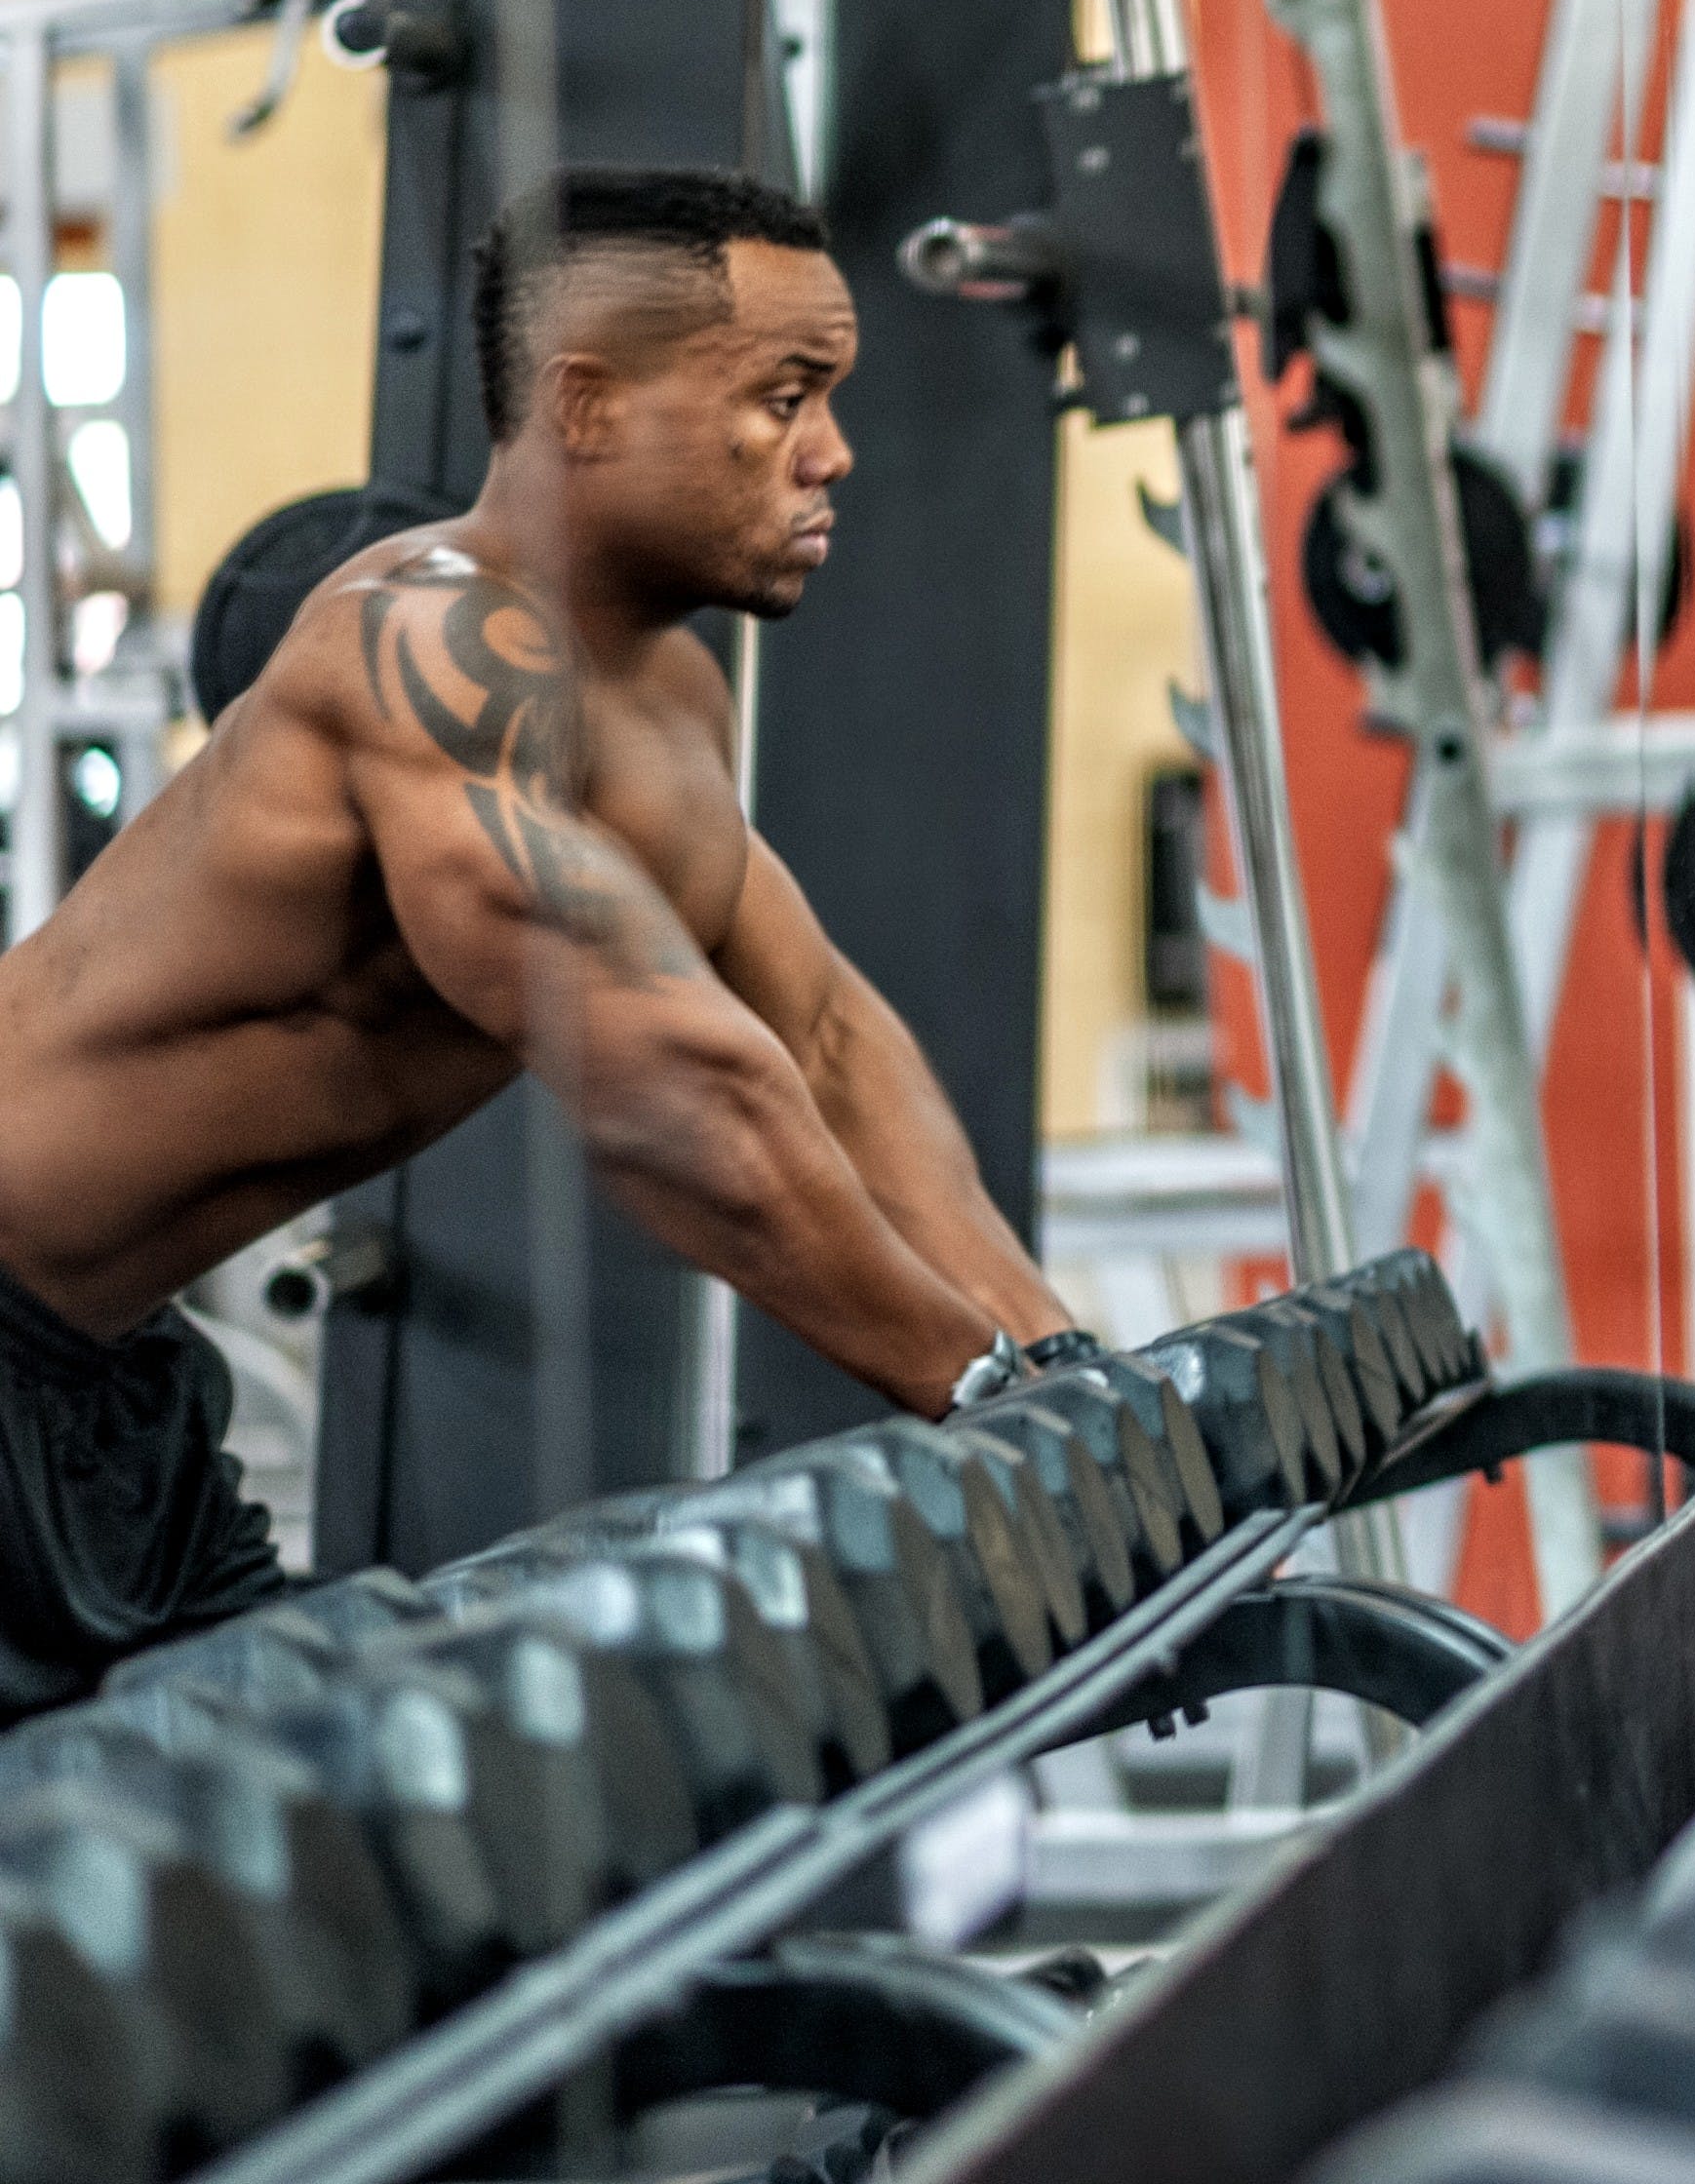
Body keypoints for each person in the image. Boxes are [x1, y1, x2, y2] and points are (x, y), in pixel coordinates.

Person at [0, 166, 1081, 1722]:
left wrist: (1063, 1373)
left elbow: (825, 1044)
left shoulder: (667, 706)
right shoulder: (426, 642)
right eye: (784, 399)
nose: (834, 453)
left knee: (326, 1868)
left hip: (109, 1387)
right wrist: (973, 1391)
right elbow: (670, 1094)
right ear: (587, 406)